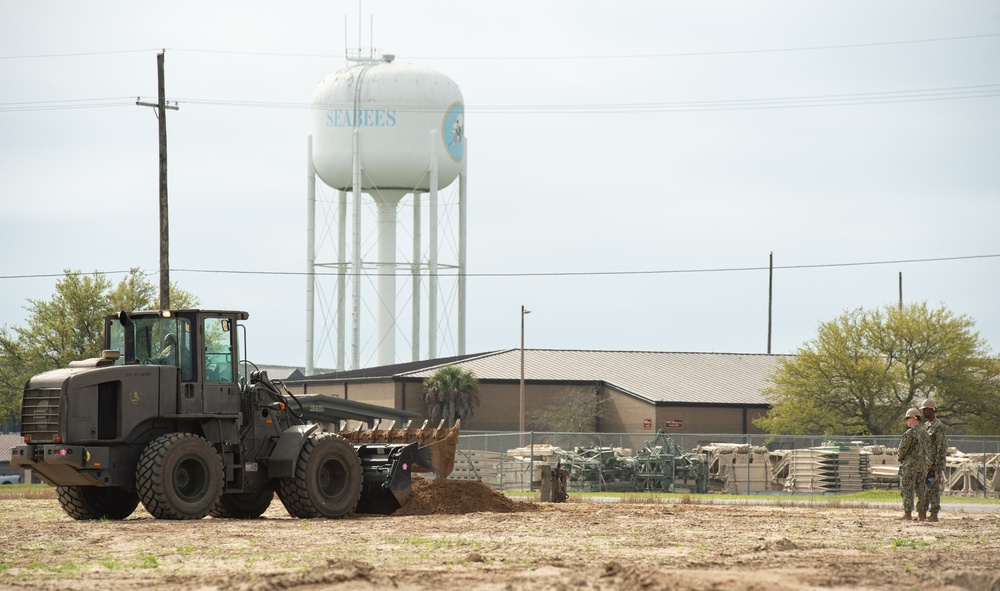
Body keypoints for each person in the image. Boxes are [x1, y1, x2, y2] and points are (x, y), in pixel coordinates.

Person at [918, 398, 948, 522]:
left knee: (933, 488)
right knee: (924, 488)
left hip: (933, 464)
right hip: (926, 462)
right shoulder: (926, 425)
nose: (923, 412)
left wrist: (936, 464)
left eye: (925, 410)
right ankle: (922, 513)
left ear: (932, 410)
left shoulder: (938, 426)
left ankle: (934, 514)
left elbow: (942, 446)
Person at [897, 407, 928, 521]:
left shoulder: (909, 433)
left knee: (907, 489)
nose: (906, 422)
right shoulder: (925, 433)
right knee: (921, 489)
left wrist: (900, 458)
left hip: (910, 466)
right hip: (922, 465)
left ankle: (908, 514)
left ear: (913, 418)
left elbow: (902, 450)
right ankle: (922, 514)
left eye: (907, 419)